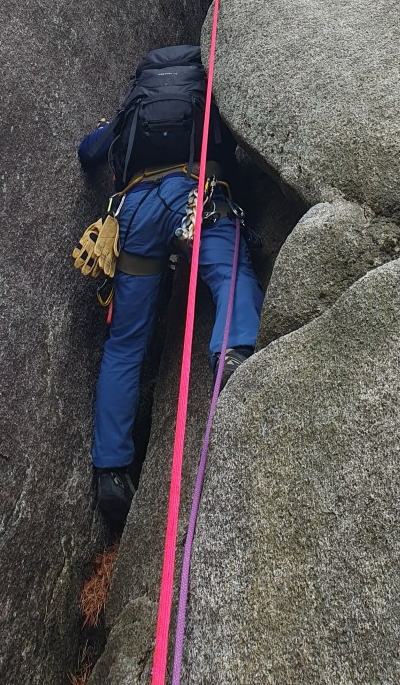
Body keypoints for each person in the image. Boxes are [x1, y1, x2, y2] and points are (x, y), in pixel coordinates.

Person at [78, 45, 265, 531]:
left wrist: (110, 125)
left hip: (135, 213)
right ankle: (232, 352)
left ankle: (112, 470)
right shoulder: (206, 95)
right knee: (230, 273)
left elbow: (89, 152)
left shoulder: (132, 107)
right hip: (195, 195)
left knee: (125, 343)